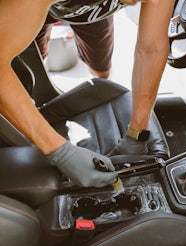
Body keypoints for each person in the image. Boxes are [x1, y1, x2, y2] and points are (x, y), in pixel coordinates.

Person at [0, 0, 174, 188]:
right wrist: (60, 151)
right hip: (41, 8)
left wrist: (137, 133)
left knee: (100, 64)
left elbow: (151, 49)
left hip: (90, 9)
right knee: (28, 55)